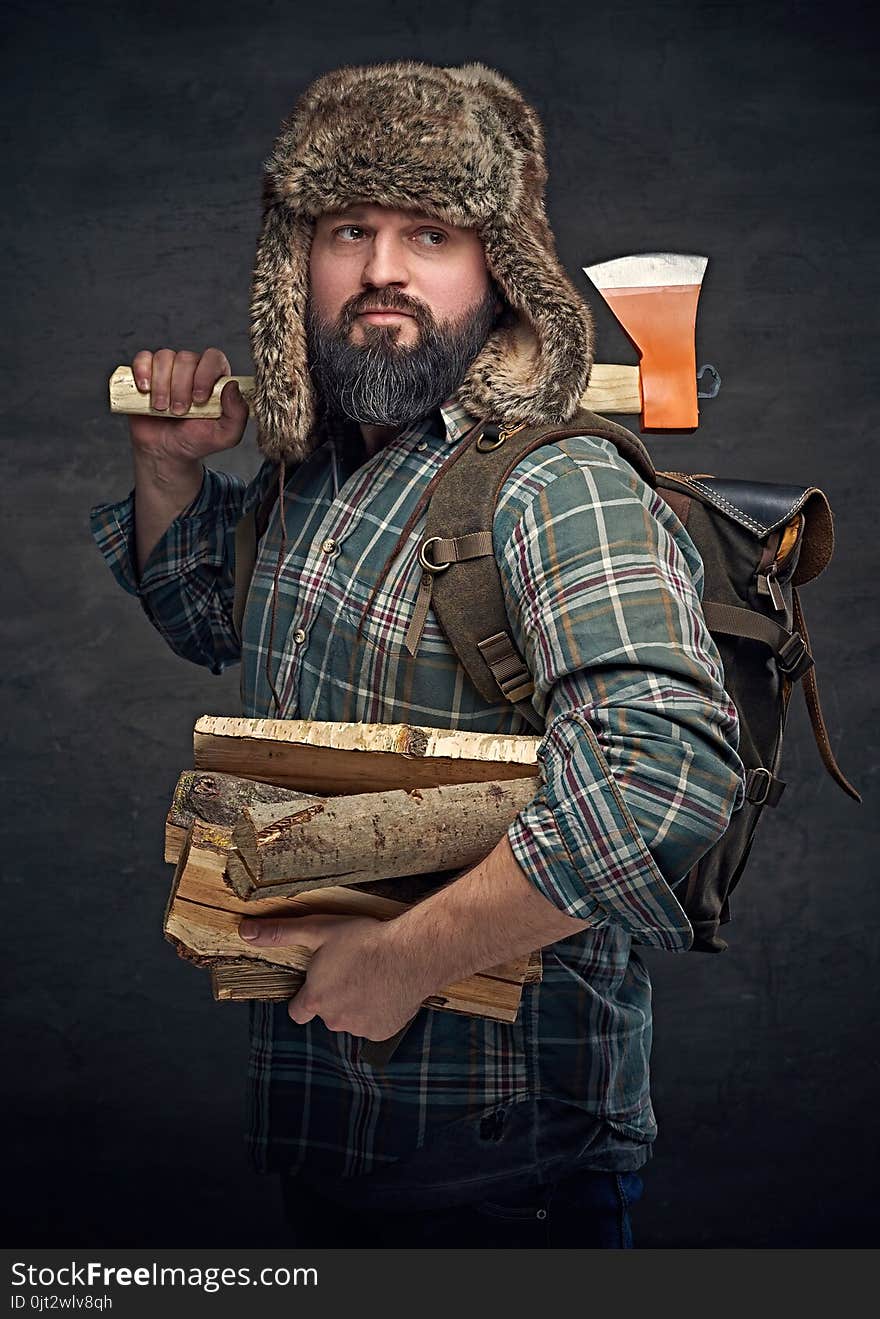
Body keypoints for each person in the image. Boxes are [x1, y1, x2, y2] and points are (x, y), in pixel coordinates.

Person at [90, 60, 746, 1249]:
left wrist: (402, 958)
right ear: (299, 261)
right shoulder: (320, 469)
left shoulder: (554, 485)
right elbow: (211, 625)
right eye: (350, 228)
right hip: (332, 1125)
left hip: (508, 1173)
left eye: (429, 232)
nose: (382, 270)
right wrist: (168, 468)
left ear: (499, 269)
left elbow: (663, 778)